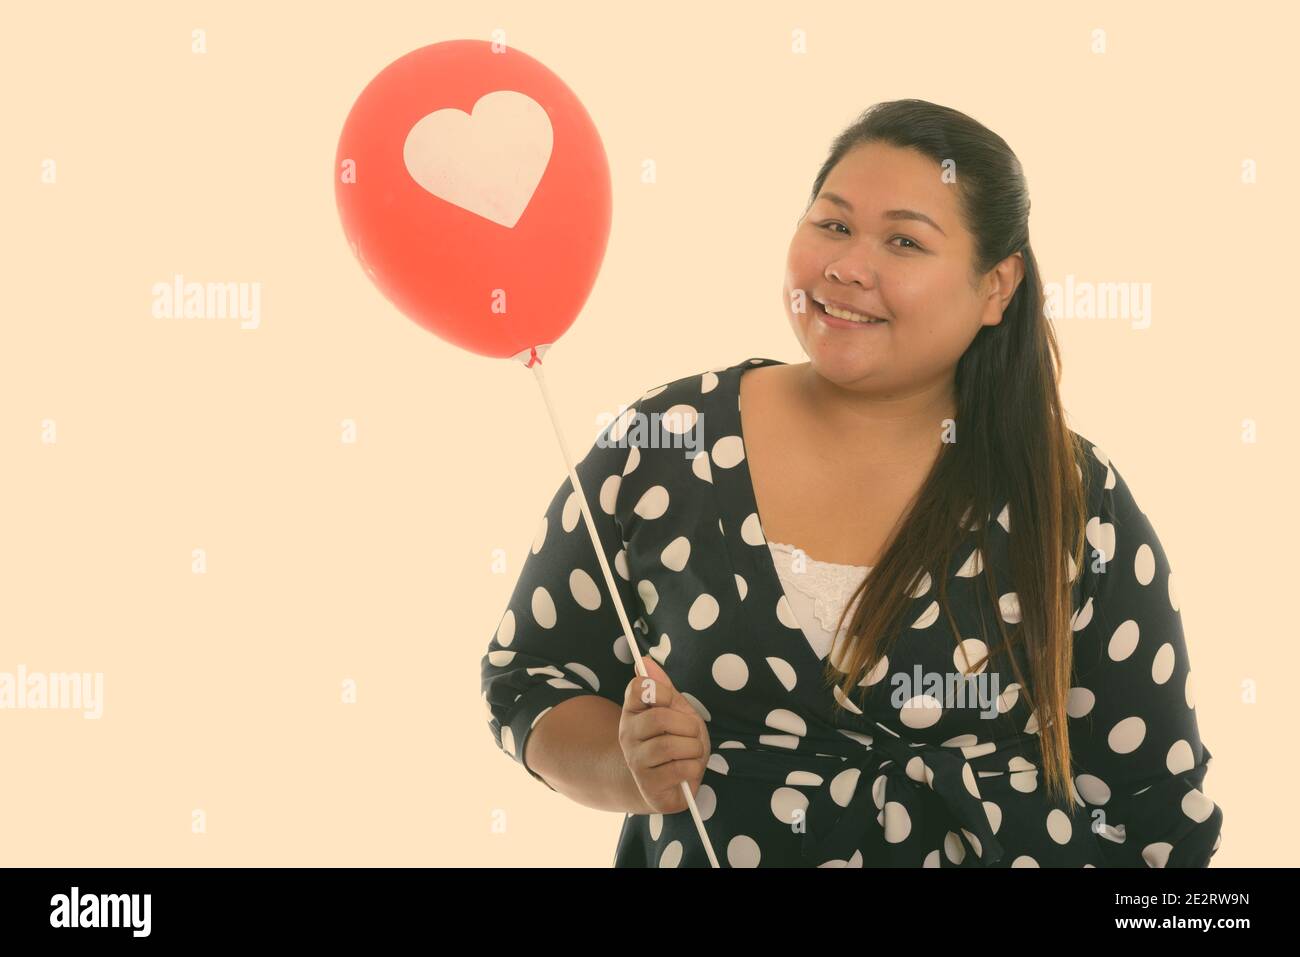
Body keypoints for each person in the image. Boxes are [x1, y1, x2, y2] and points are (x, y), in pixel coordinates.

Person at [479, 99, 1223, 867]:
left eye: (903, 240)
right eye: (832, 225)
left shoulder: (1072, 496)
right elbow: (527, 677)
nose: (846, 266)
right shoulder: (669, 440)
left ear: (998, 285)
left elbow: (1157, 813)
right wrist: (624, 765)